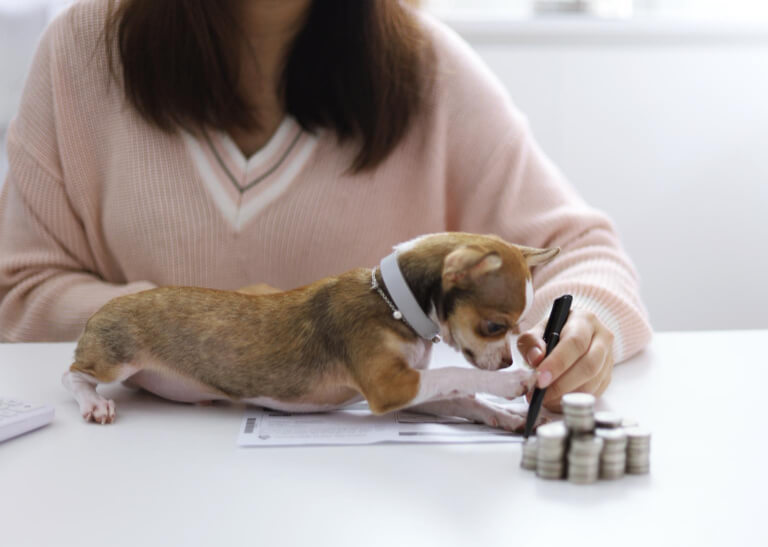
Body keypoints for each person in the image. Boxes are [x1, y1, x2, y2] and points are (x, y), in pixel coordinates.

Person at [0, 0, 651, 410]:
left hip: (364, 515)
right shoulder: (80, 53)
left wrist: (579, 333)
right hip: (126, 480)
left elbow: (587, 257)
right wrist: (193, 329)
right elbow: (18, 290)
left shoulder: (430, 69)